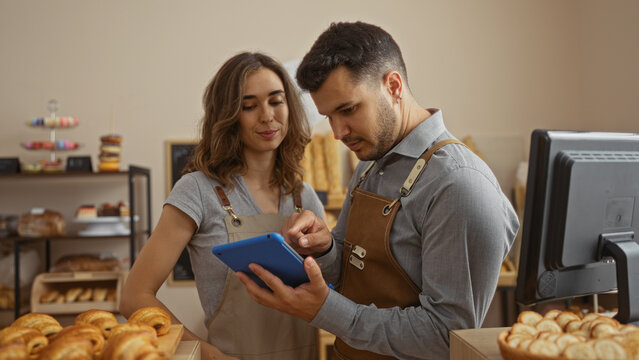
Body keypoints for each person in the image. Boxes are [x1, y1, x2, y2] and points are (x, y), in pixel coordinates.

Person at [236, 22, 520, 359]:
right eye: (328, 116)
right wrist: (326, 247)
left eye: (348, 109)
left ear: (393, 86)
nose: (338, 132)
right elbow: (351, 274)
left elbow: (446, 335)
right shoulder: (370, 163)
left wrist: (325, 310)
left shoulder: (458, 184)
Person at [120, 52, 324, 360]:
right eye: (249, 106)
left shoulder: (304, 197)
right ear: (228, 116)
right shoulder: (198, 191)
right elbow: (134, 297)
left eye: (276, 101)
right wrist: (209, 355)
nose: (267, 116)